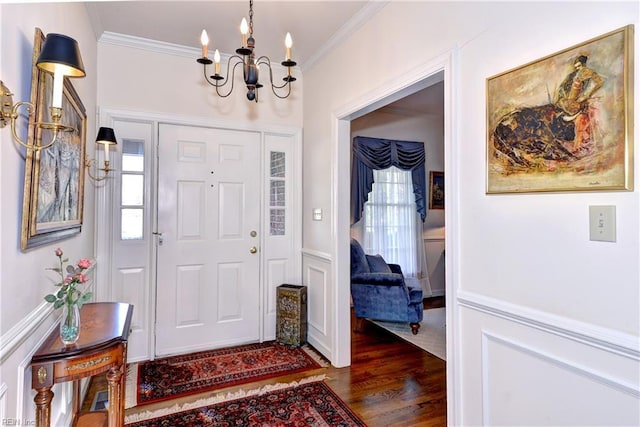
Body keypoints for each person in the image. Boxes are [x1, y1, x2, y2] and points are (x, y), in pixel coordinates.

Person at [554, 54, 604, 154]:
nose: (577, 69)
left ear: (583, 64)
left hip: (580, 104)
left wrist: (586, 95)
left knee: (581, 124)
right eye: (576, 67)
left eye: (579, 66)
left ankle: (582, 147)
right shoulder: (573, 75)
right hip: (572, 104)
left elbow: (599, 82)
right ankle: (579, 147)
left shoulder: (586, 72)